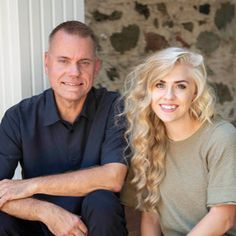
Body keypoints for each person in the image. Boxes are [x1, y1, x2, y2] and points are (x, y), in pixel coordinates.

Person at [0, 20, 128, 236]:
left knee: (103, 201)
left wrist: (31, 186)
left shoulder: (114, 108)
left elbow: (113, 178)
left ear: (96, 66)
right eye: (64, 61)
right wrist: (45, 211)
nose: (74, 72)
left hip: (93, 226)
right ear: (47, 62)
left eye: (84, 62)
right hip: (37, 227)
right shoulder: (19, 117)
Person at [121, 47, 236, 236]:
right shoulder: (147, 140)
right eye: (160, 84)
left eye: (180, 86)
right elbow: (151, 216)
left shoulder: (221, 138)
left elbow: (223, 218)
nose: (168, 95)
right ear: (148, 91)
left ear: (195, 92)